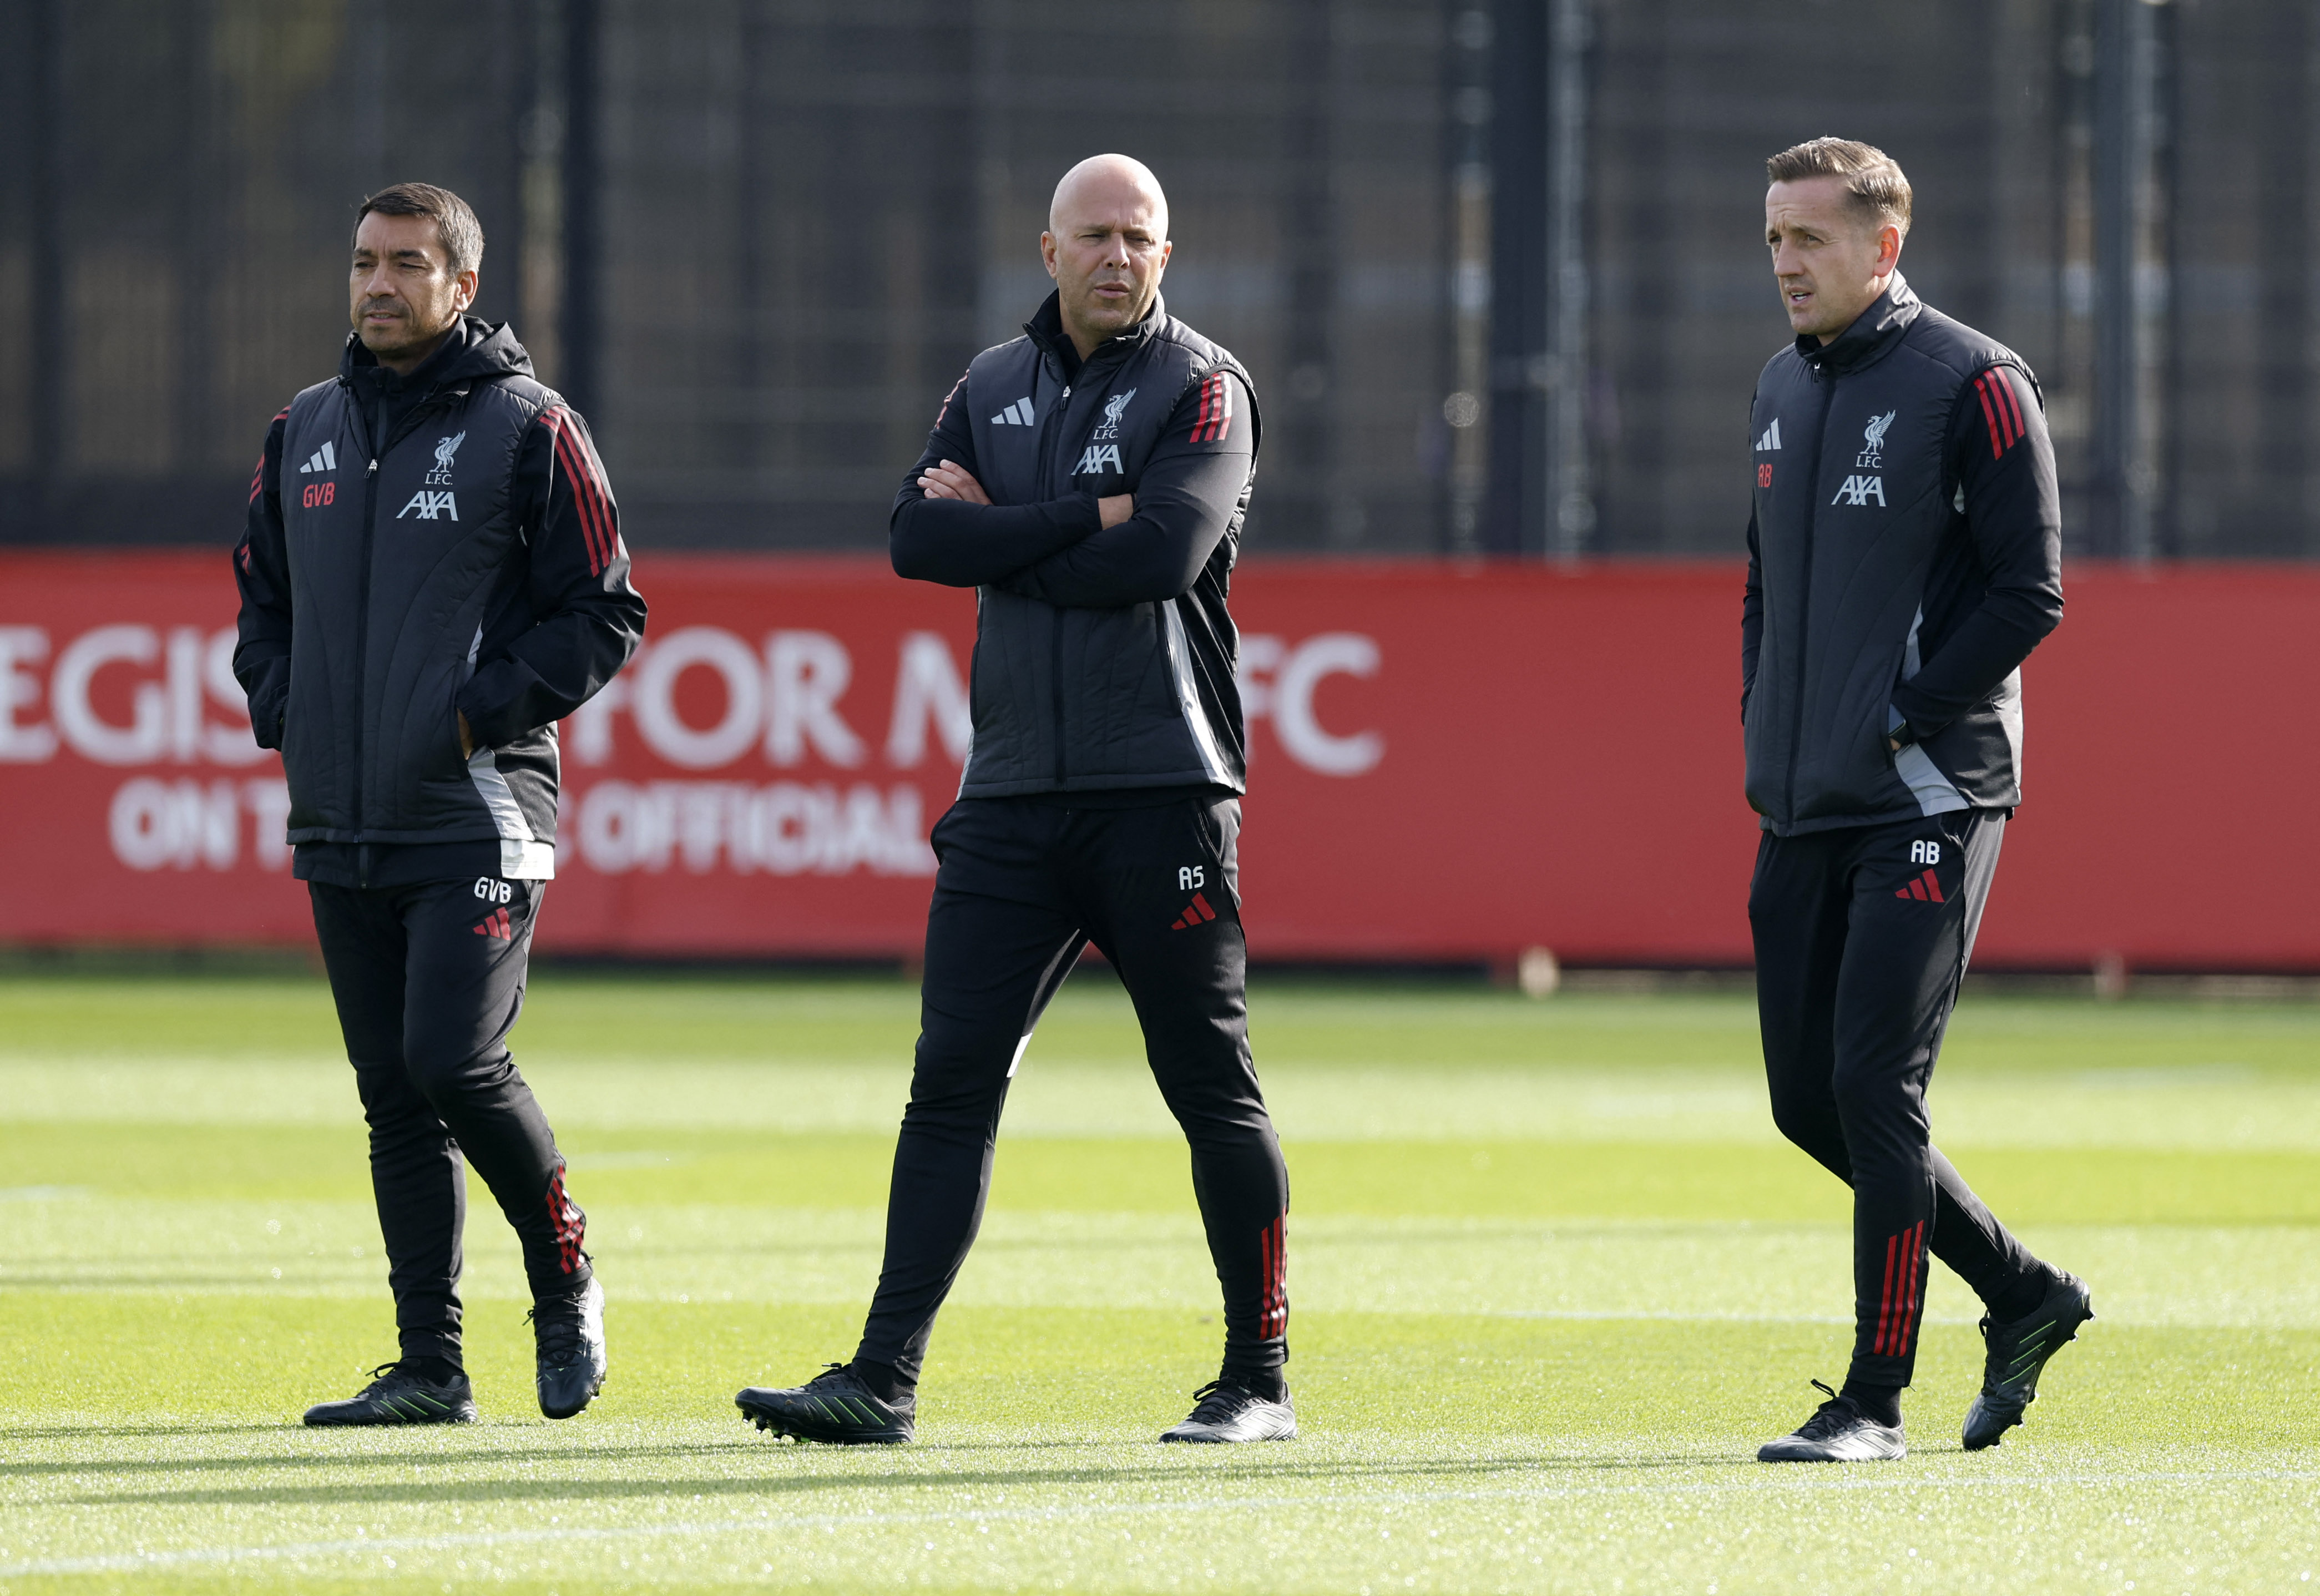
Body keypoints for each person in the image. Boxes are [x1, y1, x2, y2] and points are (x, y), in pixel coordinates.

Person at [734, 154, 1293, 1446]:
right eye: (1094, 234)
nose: (1117, 256)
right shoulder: (990, 383)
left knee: (1209, 1083)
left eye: (1139, 237)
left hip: (1164, 784)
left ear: (1169, 251)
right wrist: (1083, 515)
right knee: (949, 1084)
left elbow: (1165, 551)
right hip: (1012, 793)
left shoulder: (1203, 385)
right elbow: (916, 541)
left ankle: (1257, 1376)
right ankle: (882, 1378)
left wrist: (1021, 525)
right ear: (1046, 250)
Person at [232, 182, 646, 1425]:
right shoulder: (299, 429)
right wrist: (289, 710)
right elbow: (264, 608)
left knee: (451, 1060)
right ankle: (430, 1365)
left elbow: (607, 612)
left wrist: (476, 713)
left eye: (407, 263)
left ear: (462, 287)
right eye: (364, 260)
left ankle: (565, 1269)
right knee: (390, 1096)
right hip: (341, 816)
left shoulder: (531, 427)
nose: (378, 284)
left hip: (475, 808)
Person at [1740, 139, 2092, 1462]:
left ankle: (1870, 1400)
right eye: (1774, 235)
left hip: (1930, 792)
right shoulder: (1778, 384)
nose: (1785, 261)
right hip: (1803, 795)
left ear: (1883, 247)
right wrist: (1764, 716)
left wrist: (1906, 712)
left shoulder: (1978, 381)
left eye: (1810, 239)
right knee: (1804, 1101)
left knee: (1876, 1088)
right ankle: (2026, 1293)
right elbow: (1764, 583)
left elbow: (2028, 592)